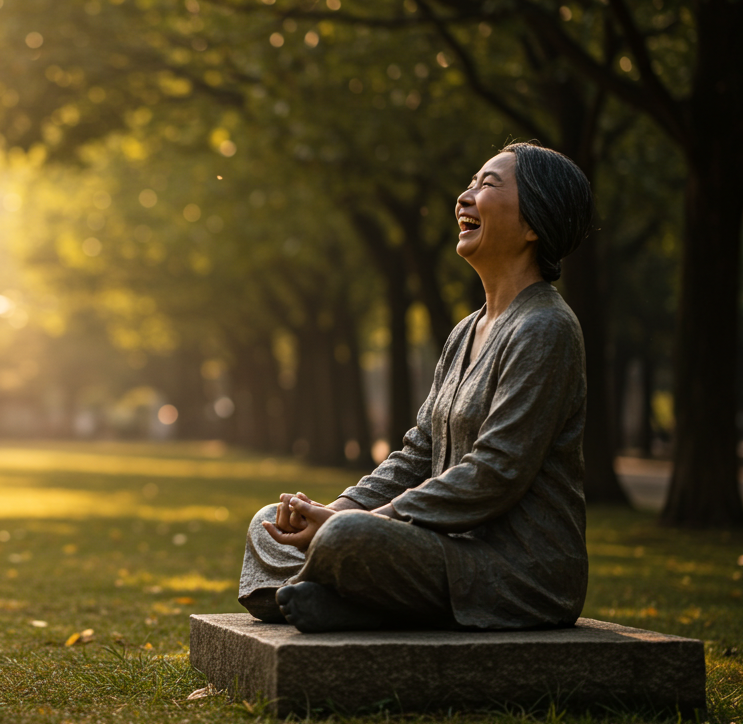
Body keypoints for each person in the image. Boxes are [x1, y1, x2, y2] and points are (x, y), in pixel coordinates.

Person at [239, 142, 593, 633]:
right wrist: (334, 509)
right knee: (269, 526)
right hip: (436, 548)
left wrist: (373, 522)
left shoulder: (547, 327)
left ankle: (348, 594)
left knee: (347, 539)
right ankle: (343, 594)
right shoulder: (465, 331)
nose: (464, 198)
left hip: (519, 573)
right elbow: (417, 452)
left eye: (487, 185)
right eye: (469, 184)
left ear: (534, 224)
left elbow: (497, 471)